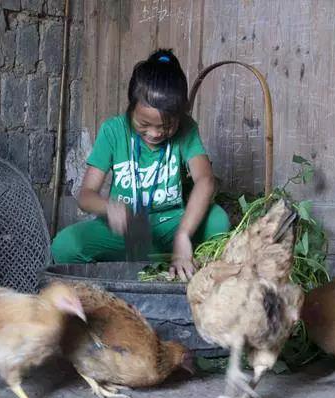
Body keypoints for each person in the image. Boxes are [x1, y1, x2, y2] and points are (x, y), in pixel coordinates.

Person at [50, 48, 230, 281]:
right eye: (143, 123)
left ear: (180, 115)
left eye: (166, 127)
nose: (154, 133)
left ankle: (176, 259)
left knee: (218, 219)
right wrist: (109, 208)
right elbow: (86, 195)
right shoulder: (113, 131)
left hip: (171, 223)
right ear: (130, 107)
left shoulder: (187, 128)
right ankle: (159, 261)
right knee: (64, 246)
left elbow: (205, 180)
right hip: (128, 228)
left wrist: (183, 235)